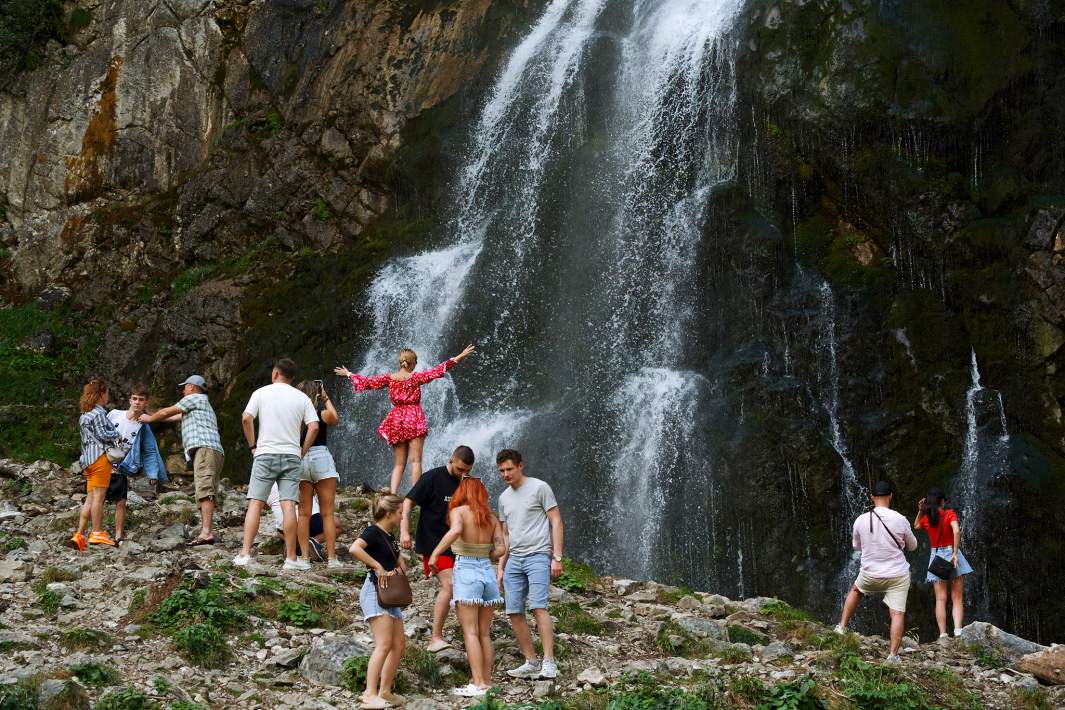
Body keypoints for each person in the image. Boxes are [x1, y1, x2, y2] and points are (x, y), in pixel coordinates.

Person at [334, 344, 475, 493]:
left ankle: (393, 494)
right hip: (413, 417)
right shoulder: (416, 378)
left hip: (396, 420)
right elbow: (438, 370)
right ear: (413, 364)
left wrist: (349, 374)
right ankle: (416, 496)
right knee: (415, 462)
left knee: (399, 464)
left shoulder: (389, 378)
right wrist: (460, 355)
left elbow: (368, 382)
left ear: (401, 362)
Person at [233, 358, 319, 570]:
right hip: (291, 455)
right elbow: (315, 426)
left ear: (274, 374)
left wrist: (253, 445)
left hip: (265, 453)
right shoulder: (302, 398)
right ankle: (291, 558)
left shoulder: (261, 393)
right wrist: (302, 451)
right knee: (289, 504)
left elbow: (246, 418)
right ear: (292, 377)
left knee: (255, 502)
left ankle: (245, 554)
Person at [428, 477, 505, 698]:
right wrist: (485, 554)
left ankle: (478, 684)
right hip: (487, 573)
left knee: (470, 632)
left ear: (462, 492)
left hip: (467, 570)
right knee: (484, 633)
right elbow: (501, 548)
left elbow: (455, 531)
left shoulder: (459, 511)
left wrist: (435, 553)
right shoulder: (491, 517)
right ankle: (487, 682)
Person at [495, 449, 564, 680]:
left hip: (538, 555)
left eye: (509, 469)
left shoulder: (539, 487)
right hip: (514, 558)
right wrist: (501, 566)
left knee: (538, 607)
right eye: (502, 470)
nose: (505, 474)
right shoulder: (503, 497)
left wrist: (557, 557)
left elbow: (556, 520)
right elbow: (506, 535)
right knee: (514, 611)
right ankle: (531, 661)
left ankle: (549, 662)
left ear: (520, 466)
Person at [400, 445, 476, 653]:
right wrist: (404, 531)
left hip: (459, 546)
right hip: (434, 543)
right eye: (460, 469)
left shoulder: (467, 483)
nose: (463, 474)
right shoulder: (432, 478)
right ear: (451, 460)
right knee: (450, 585)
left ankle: (470, 635)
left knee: (465, 588)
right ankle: (435, 638)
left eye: (467, 471)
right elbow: (407, 503)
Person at [835, 480, 918, 662]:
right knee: (897, 613)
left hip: (871, 573)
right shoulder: (900, 519)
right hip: (897, 575)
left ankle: (841, 627)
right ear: (890, 496)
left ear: (871, 497)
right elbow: (913, 546)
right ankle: (892, 656)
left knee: (855, 590)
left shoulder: (861, 520)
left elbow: (857, 546)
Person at [140, 375, 225, 545]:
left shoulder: (194, 398)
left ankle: (206, 532)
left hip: (205, 449)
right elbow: (170, 417)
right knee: (207, 489)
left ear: (192, 387)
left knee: (205, 489)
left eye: (184, 387)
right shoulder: (200, 405)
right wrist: (146, 415)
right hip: (213, 451)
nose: (183, 390)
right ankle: (206, 530)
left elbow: (167, 411)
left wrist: (149, 419)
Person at [349, 495, 407, 709]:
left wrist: (398, 567)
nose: (403, 516)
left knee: (398, 644)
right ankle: (369, 693)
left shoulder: (389, 536)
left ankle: (385, 691)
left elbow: (399, 563)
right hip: (375, 592)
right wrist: (377, 567)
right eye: (400, 512)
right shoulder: (373, 531)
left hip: (389, 593)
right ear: (390, 514)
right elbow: (354, 548)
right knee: (383, 644)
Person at [913, 487, 973, 640]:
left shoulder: (927, 519)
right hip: (952, 555)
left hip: (936, 555)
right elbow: (957, 531)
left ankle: (942, 634)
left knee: (940, 599)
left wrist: (920, 511)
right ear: (942, 501)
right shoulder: (949, 514)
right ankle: (958, 631)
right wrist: (954, 553)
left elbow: (916, 526)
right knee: (957, 597)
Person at [294, 380, 342, 567]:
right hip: (321, 456)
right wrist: (326, 398)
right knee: (327, 514)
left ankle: (304, 558)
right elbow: (335, 418)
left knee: (304, 514)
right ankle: (332, 559)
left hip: (301, 457)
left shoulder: (295, 417)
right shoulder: (319, 414)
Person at [71, 379, 121, 549]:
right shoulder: (99, 414)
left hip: (87, 461)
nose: (108, 397)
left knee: (90, 499)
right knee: (99, 498)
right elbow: (103, 434)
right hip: (100, 459)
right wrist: (116, 432)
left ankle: (79, 535)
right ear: (101, 394)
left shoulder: (84, 415)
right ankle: (97, 533)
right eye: (106, 393)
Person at [105, 385, 148, 542]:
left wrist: (153, 473)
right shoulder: (115, 414)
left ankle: (118, 534)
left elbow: (149, 450)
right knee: (96, 498)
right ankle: (91, 531)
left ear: (146, 403)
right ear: (130, 400)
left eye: (141, 400)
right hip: (103, 463)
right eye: (135, 399)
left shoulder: (144, 425)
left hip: (122, 467)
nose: (137, 402)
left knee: (121, 501)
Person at [267, 482, 343, 560]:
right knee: (336, 524)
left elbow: (265, 506)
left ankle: (294, 544)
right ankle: (314, 541)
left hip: (284, 529)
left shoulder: (270, 483)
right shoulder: (300, 477)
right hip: (306, 521)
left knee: (278, 532)